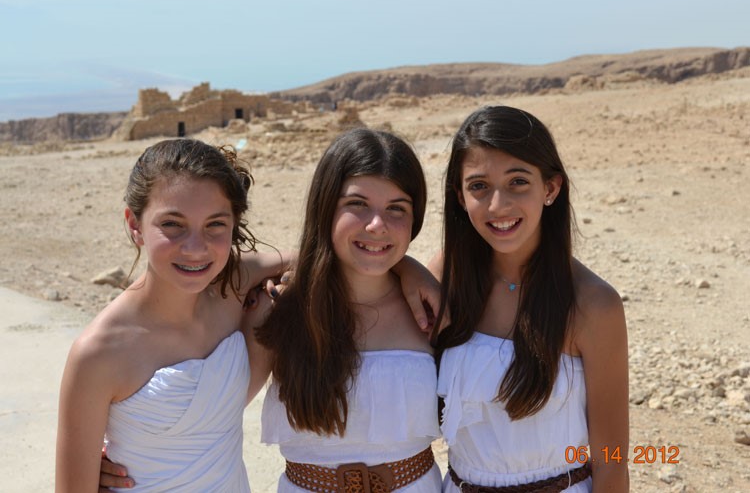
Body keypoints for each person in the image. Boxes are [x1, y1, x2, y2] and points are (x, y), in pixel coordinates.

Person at [56, 139, 287, 492]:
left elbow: (320, 261)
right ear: (135, 225)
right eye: (172, 224)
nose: (195, 248)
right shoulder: (99, 352)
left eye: (215, 224)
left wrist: (291, 281)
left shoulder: (236, 283)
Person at [429, 105, 629, 492]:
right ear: (460, 196)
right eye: (478, 186)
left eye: (518, 181)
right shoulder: (444, 278)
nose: (497, 205)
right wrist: (405, 272)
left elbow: (613, 458)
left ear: (550, 188)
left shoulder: (593, 304)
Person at [254, 128, 442, 492]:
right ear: (325, 206)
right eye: (357, 204)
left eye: (397, 208)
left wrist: (408, 267)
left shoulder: (429, 308)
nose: (377, 225)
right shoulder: (280, 304)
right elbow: (218, 270)